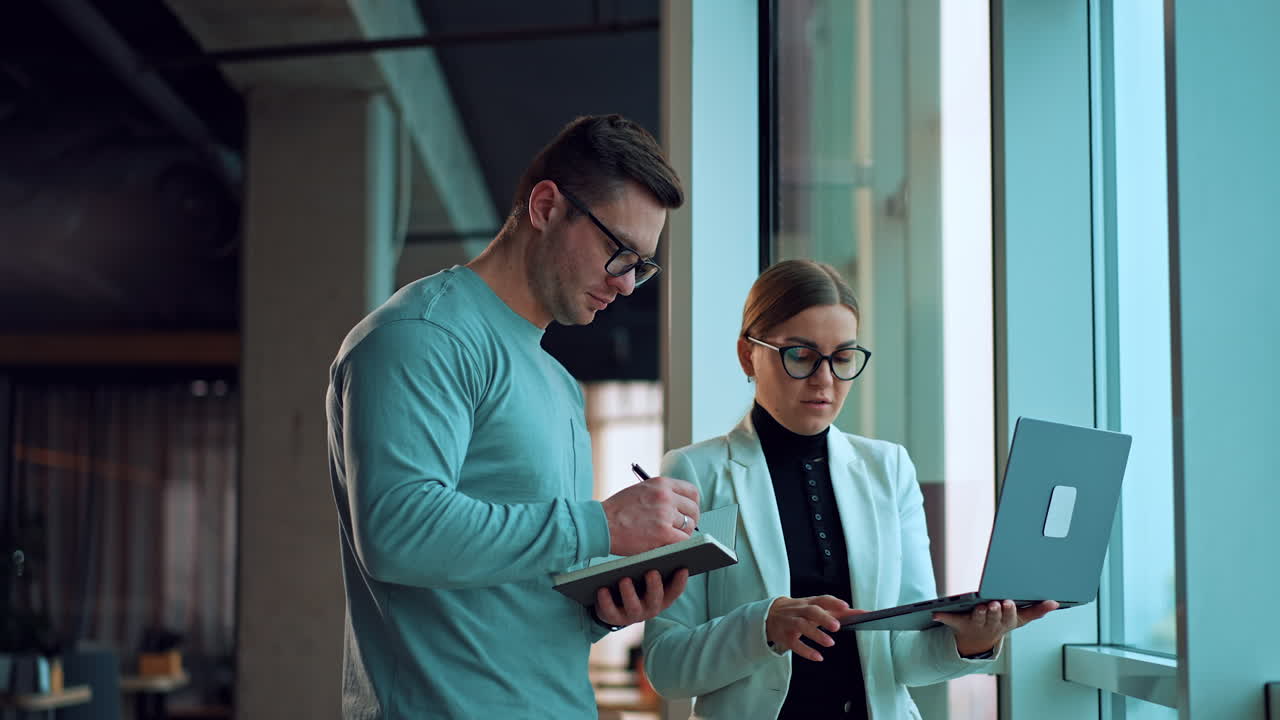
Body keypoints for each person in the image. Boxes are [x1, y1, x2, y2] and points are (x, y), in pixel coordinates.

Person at [326, 115, 702, 719]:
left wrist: (601, 609)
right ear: (548, 206)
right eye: (619, 252)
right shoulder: (422, 335)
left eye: (642, 264)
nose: (629, 284)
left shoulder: (557, 382)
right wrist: (601, 526)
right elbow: (398, 533)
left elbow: (517, 584)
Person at [642, 259, 1058, 719]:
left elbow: (905, 659)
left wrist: (973, 642)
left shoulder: (889, 468)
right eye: (800, 355)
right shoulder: (696, 471)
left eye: (842, 358)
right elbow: (667, 667)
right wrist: (762, 627)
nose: (825, 380)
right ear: (748, 354)